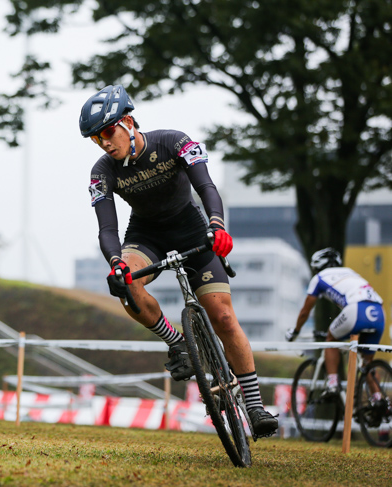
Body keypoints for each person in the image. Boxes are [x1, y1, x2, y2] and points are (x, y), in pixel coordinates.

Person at [81, 85, 278, 437]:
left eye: (108, 132)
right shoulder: (102, 172)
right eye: (97, 139)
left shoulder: (172, 142)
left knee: (223, 316)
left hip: (191, 228)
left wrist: (217, 224)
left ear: (127, 122)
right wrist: (116, 262)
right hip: (146, 236)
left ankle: (254, 405)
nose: (105, 143)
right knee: (125, 282)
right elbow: (107, 229)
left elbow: (206, 187)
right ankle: (178, 342)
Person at [285, 248, 388, 410]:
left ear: (317, 266)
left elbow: (305, 311)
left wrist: (295, 331)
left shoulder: (319, 278)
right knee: (367, 363)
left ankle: (332, 383)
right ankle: (378, 399)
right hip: (379, 312)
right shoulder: (350, 272)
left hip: (357, 310)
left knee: (331, 339)